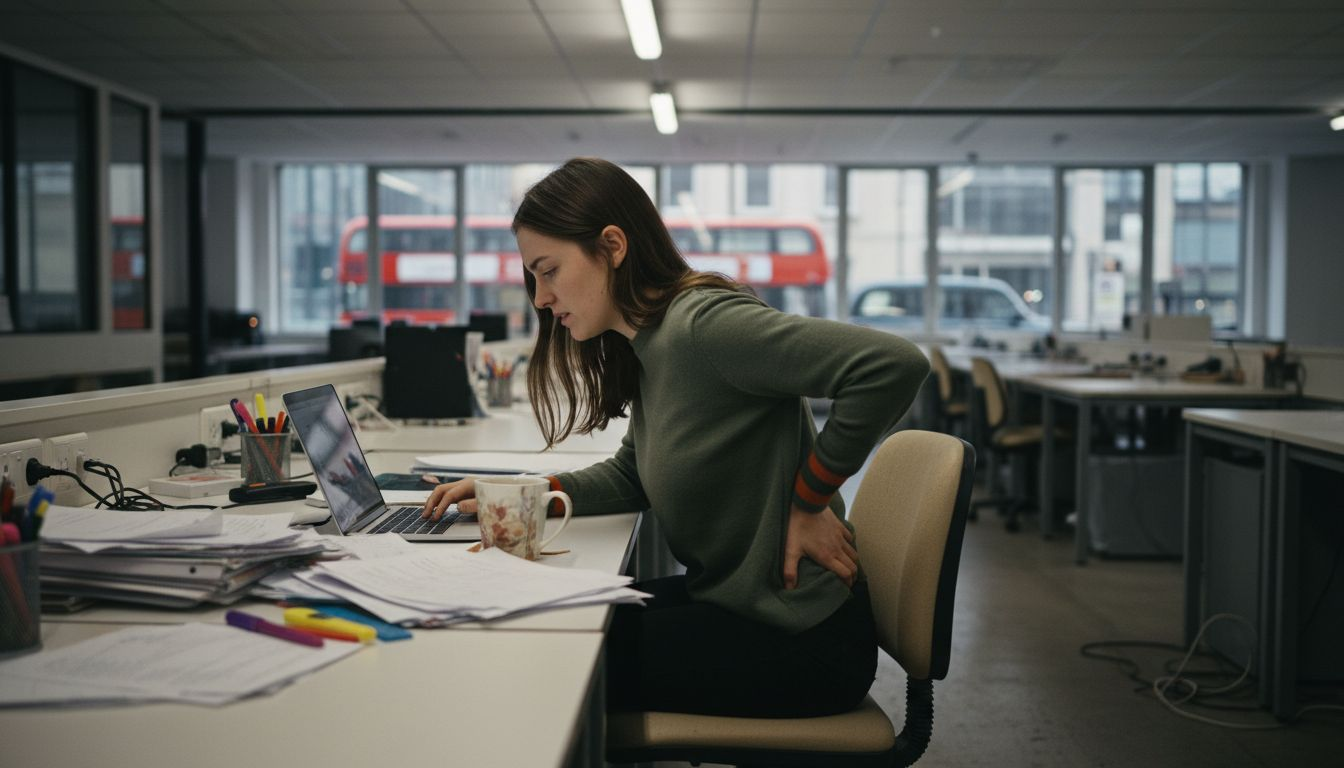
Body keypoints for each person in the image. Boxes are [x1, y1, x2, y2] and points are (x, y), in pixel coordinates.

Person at [424, 157, 929, 718]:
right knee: (539, 624)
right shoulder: (650, 343)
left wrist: (809, 499)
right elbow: (630, 474)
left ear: (612, 247)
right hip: (736, 606)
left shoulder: (703, 326)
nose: (539, 298)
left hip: (802, 639)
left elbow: (893, 365)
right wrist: (517, 492)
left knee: (546, 665)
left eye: (548, 270)